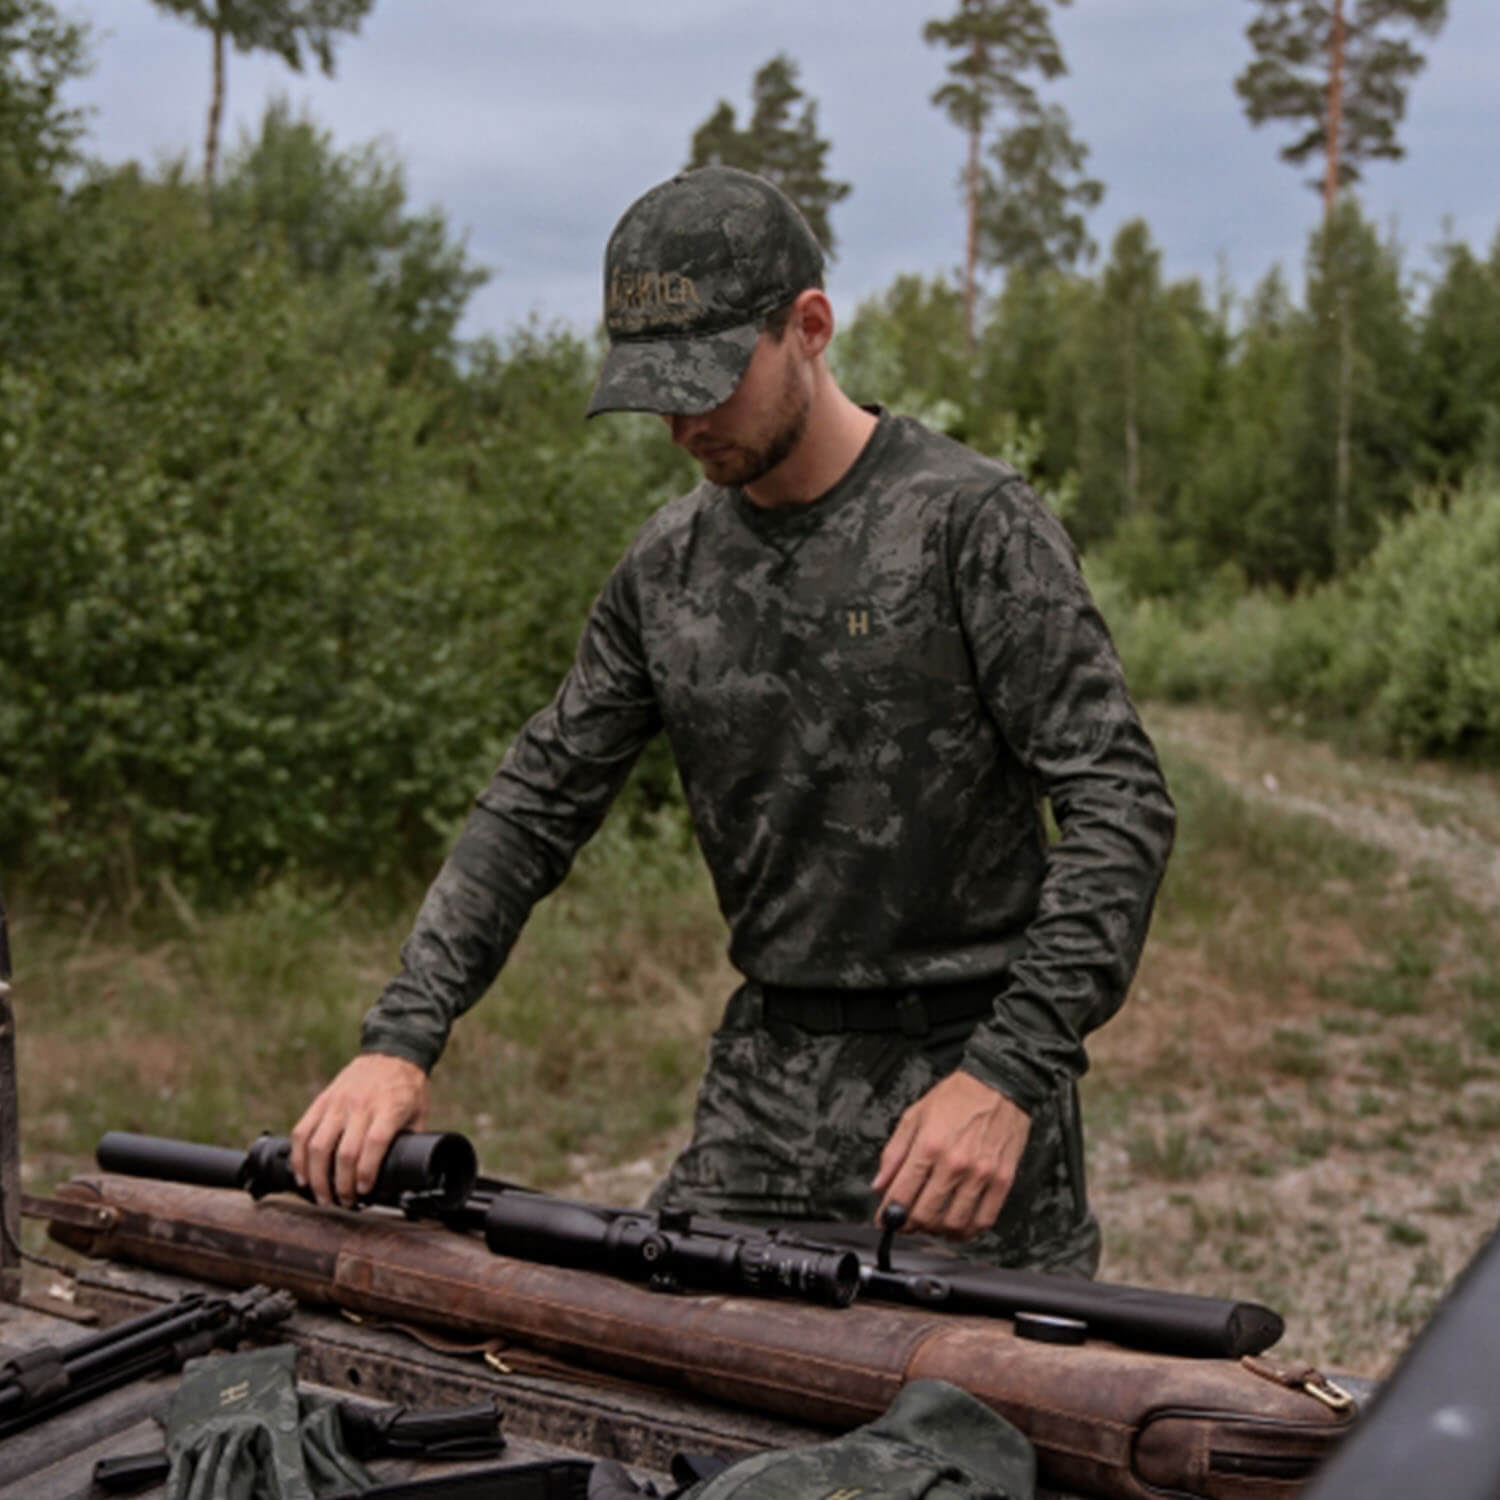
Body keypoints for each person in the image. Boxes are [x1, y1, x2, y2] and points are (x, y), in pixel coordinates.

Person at [291, 166, 1175, 1276]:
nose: (682, 422)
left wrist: (1006, 1075)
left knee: (954, 1428)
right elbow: (533, 805)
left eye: (709, 380)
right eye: (656, 390)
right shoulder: (667, 570)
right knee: (657, 1380)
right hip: (763, 1088)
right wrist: (399, 1041)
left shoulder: (971, 528)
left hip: (964, 1092)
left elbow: (1119, 805)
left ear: (809, 326)